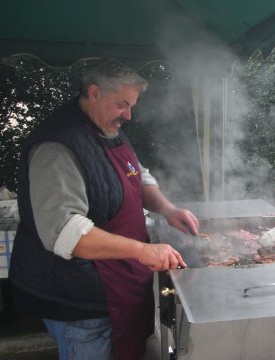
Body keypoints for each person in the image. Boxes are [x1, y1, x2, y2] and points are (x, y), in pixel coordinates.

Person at [9, 59, 199, 360]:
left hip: (118, 284)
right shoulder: (58, 147)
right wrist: (142, 250)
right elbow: (65, 232)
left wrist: (167, 209)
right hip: (77, 299)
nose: (129, 115)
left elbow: (137, 173)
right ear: (95, 92)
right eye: (122, 104)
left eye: (132, 105)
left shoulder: (106, 127)